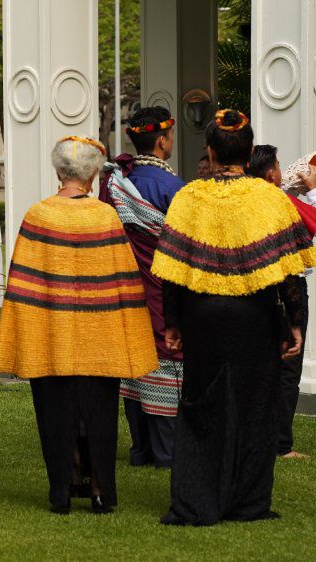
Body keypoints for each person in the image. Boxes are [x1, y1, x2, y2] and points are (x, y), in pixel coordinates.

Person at [152, 109, 316, 526]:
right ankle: (247, 502)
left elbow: (172, 270)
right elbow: (288, 271)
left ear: (210, 150)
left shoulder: (189, 197)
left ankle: (195, 500)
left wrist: (171, 322)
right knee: (255, 406)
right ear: (248, 152)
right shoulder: (270, 198)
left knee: (199, 404)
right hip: (254, 317)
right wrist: (294, 323)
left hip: (201, 316)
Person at [0, 135, 158, 515]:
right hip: (102, 337)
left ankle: (61, 491)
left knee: (55, 412)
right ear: (94, 171)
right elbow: (125, 284)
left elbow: (24, 284)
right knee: (100, 414)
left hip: (50, 336)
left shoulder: (39, 214)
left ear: (57, 171)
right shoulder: (105, 215)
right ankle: (100, 491)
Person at [99, 106, 185, 470]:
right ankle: (167, 451)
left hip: (124, 289)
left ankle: (141, 449)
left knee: (134, 362)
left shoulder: (114, 183)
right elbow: (184, 248)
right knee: (166, 361)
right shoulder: (173, 188)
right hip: (162, 288)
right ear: (163, 141)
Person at [247, 144, 316, 460]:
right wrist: (313, 191)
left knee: (256, 366)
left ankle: (252, 435)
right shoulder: (279, 201)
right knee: (287, 366)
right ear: (271, 173)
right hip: (285, 292)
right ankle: (280, 444)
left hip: (247, 291)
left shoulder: (244, 200)